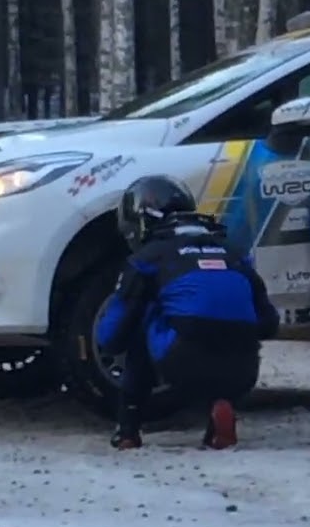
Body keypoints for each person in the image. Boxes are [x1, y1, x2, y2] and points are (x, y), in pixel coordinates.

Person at [96, 175, 280, 450]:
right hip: (243, 369)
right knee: (213, 326)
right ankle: (221, 405)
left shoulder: (148, 257)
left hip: (183, 358)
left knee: (142, 319)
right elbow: (269, 323)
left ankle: (128, 430)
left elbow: (111, 336)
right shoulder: (234, 252)